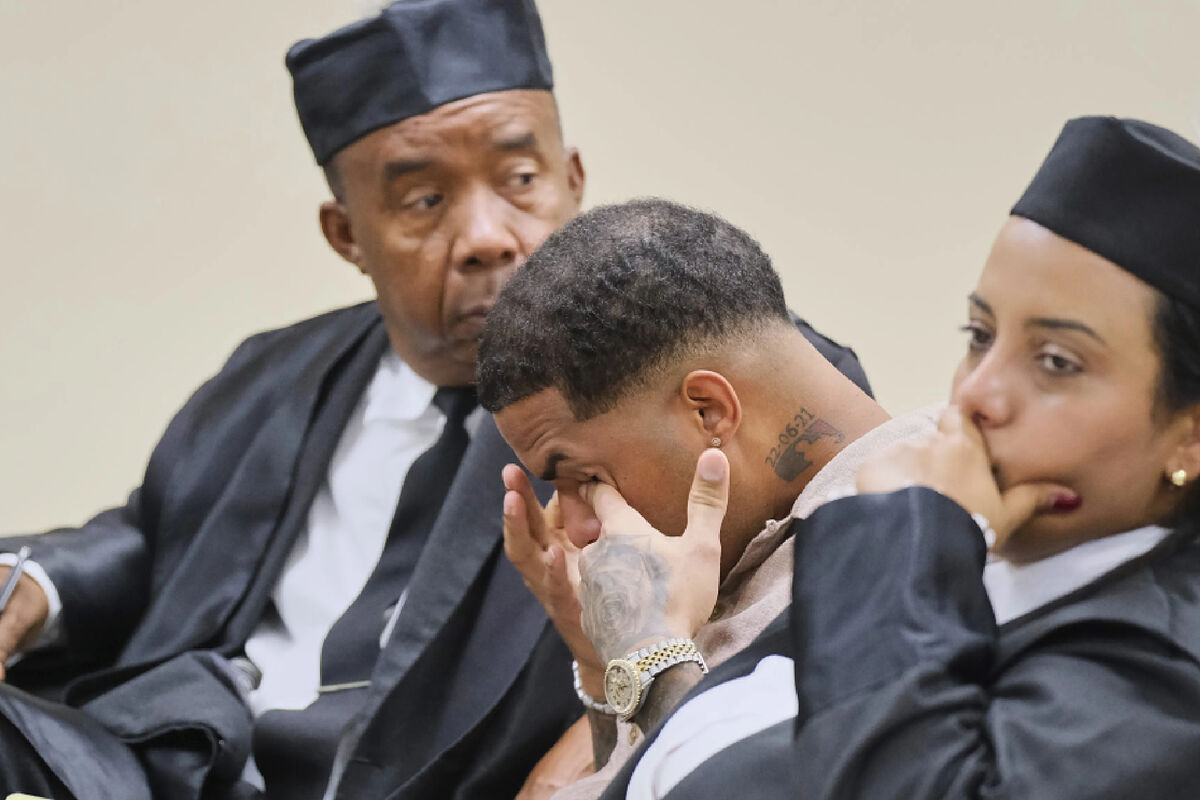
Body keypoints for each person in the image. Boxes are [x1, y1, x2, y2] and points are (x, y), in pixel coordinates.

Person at [0, 4, 873, 798]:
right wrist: (34, 583)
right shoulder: (273, 372)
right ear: (348, 234)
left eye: (521, 180)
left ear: (573, 179)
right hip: (147, 762)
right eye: (425, 199)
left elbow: (769, 635)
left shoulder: (705, 380)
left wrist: (603, 709)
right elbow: (158, 531)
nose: (489, 238)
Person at [566, 117, 1200, 800]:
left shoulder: (1166, 668)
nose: (977, 392)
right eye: (980, 335)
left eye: (1056, 362)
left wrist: (903, 529)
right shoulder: (991, 548)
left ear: (1189, 436)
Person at [476, 198, 930, 798]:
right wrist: (598, 661)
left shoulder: (930, 545)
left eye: (583, 477)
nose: (580, 527)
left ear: (707, 411)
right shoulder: (728, 564)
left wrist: (649, 658)